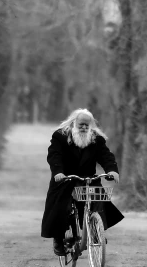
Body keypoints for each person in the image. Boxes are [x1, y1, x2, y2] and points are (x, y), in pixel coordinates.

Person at [40, 108, 124, 256]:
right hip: (65, 179)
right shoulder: (60, 136)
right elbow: (55, 155)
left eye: (87, 125)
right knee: (61, 207)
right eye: (81, 125)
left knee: (98, 200)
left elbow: (106, 156)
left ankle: (96, 230)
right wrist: (58, 172)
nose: (84, 128)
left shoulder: (96, 139)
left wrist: (112, 170)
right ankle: (59, 239)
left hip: (87, 179)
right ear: (74, 123)